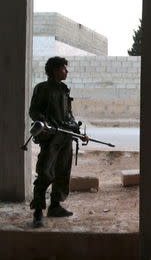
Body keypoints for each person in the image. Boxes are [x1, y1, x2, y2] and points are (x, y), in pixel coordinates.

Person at [29, 56, 88, 228]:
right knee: (45, 173)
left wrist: (77, 132)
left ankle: (55, 206)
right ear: (54, 70)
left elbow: (68, 115)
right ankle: (38, 212)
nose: (66, 71)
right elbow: (34, 111)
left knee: (63, 172)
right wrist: (44, 123)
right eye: (63, 68)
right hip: (50, 139)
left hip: (65, 137)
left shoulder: (63, 90)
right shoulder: (42, 88)